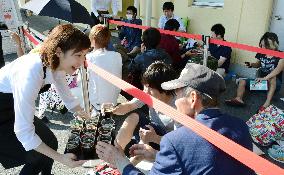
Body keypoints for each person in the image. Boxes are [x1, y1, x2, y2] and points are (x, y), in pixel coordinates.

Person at [96, 63, 255, 175]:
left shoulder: (177, 140)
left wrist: (120, 161)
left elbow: (186, 150)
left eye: (178, 93)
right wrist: (156, 156)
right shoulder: (241, 126)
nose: (176, 98)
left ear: (193, 98)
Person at [0, 24, 91, 175]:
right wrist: (62, 159)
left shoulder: (55, 63)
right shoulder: (30, 72)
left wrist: (89, 120)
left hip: (14, 104)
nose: (82, 62)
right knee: (36, 156)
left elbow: (68, 98)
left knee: (51, 141)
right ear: (59, 51)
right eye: (78, 55)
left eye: (85, 56)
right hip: (2, 110)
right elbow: (24, 132)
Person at [106, 62, 177, 164]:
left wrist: (155, 138)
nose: (146, 92)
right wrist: (113, 109)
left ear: (164, 89)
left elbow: (179, 142)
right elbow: (129, 106)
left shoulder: (178, 105)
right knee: (134, 116)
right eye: (145, 87)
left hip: (167, 142)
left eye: (150, 88)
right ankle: (115, 155)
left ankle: (131, 163)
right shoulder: (148, 95)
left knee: (149, 130)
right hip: (152, 132)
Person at [225, 32, 282, 111]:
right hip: (262, 84)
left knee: (273, 78)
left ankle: (266, 103)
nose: (262, 47)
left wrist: (265, 78)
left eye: (265, 45)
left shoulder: (281, 55)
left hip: (274, 85)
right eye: (261, 45)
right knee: (242, 81)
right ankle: (238, 99)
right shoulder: (261, 53)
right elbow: (257, 64)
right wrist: (251, 64)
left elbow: (277, 71)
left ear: (272, 45)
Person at [87, 24, 122, 112]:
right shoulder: (117, 55)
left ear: (93, 40)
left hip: (97, 102)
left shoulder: (89, 57)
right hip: (113, 99)